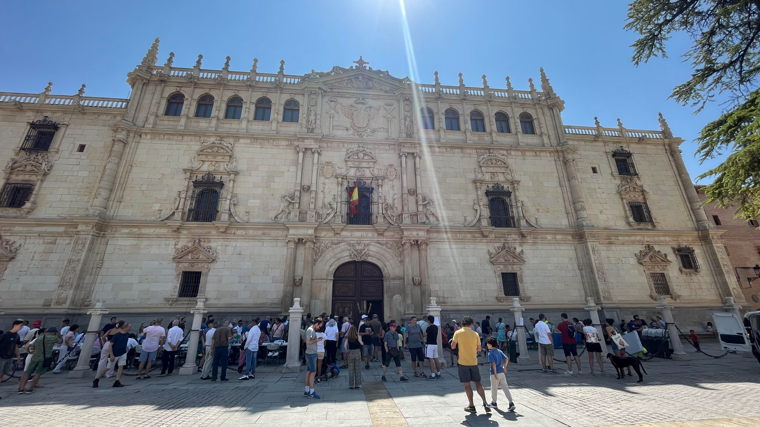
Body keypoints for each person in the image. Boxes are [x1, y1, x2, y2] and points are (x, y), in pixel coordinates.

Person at [451, 316, 490, 414]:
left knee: (467, 385)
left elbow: (453, 346)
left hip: (463, 362)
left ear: (463, 324)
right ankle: (485, 402)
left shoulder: (458, 333)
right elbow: (479, 349)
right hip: (473, 362)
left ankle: (471, 405)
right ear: (471, 324)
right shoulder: (475, 334)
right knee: (478, 383)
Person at [17, 326, 60, 395]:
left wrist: (29, 352)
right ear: (54, 332)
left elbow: (30, 346)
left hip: (35, 356)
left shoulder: (39, 338)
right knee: (38, 373)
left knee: (28, 372)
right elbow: (61, 341)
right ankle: (30, 388)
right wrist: (59, 335)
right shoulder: (54, 338)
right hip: (45, 357)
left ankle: (21, 388)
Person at [94, 323, 131, 388]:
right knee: (108, 367)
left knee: (120, 366)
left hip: (123, 352)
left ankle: (117, 381)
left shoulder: (127, 334)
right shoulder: (117, 335)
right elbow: (110, 345)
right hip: (115, 353)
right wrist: (111, 355)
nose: (130, 329)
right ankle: (97, 379)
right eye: (129, 327)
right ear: (125, 328)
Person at [486, 337, 515, 411]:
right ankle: (511, 402)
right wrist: (504, 366)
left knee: (494, 388)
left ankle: (494, 402)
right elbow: (507, 358)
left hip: (494, 373)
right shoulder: (499, 351)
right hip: (501, 372)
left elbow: (493, 364)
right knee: (505, 387)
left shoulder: (490, 353)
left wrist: (495, 373)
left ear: (490, 345)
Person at [1, 320, 24, 393]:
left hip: (9, 356)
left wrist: (18, 356)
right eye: (21, 326)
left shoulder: (16, 335)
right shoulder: (5, 335)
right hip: (1, 356)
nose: (22, 327)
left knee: (2, 374)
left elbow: (15, 346)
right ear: (15, 325)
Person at [304, 317, 323, 399]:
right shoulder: (310, 330)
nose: (319, 328)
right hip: (311, 354)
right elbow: (308, 342)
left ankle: (307, 389)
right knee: (313, 372)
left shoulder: (311, 330)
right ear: (316, 324)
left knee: (309, 371)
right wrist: (316, 341)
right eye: (319, 326)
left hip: (309, 353)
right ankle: (311, 392)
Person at [344, 325, 363, 389]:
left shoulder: (348, 337)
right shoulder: (357, 336)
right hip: (357, 352)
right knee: (357, 369)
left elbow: (345, 345)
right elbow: (361, 343)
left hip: (351, 352)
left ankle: (351, 384)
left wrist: (347, 351)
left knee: (351, 369)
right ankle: (357, 384)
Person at [424, 315, 441, 380]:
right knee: (436, 359)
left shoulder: (429, 328)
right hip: (435, 344)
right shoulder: (436, 327)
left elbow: (424, 334)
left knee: (431, 360)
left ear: (429, 321)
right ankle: (438, 372)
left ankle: (433, 374)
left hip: (429, 344)